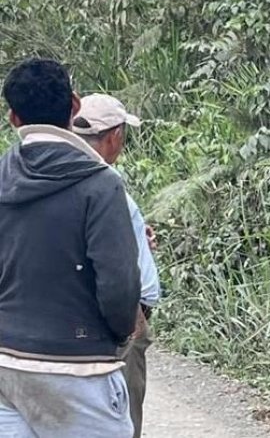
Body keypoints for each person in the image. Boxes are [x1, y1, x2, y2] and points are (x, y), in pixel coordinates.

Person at [0, 58, 140, 438]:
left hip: (6, 365)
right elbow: (120, 286)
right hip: (79, 368)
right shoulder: (101, 184)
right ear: (74, 105)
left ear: (13, 118)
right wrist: (118, 336)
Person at [73, 94, 161, 438]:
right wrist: (132, 320)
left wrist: (139, 233)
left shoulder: (85, 178)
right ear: (115, 135)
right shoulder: (100, 182)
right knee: (121, 418)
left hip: (116, 316)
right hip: (124, 319)